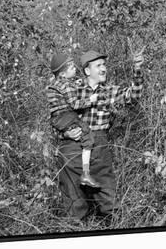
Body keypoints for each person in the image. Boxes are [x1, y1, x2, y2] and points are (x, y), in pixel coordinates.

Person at [55, 48, 144, 222]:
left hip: (99, 146)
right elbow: (55, 115)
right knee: (75, 204)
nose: (104, 68)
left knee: (109, 201)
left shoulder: (109, 91)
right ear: (87, 71)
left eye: (104, 65)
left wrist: (138, 69)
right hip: (71, 148)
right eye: (99, 65)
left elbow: (133, 97)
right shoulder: (72, 89)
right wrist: (64, 132)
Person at [45, 53, 101, 189]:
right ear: (63, 74)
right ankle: (86, 173)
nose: (74, 68)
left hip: (57, 120)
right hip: (67, 116)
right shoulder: (67, 86)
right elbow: (75, 105)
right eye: (70, 67)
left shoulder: (54, 85)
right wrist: (91, 100)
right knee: (88, 136)